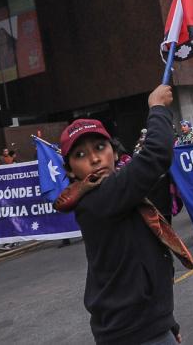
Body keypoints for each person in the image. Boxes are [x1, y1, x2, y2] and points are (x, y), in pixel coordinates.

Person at [57, 84, 181, 344]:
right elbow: (155, 155)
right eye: (80, 155)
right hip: (132, 334)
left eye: (100, 147)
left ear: (114, 151)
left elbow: (142, 260)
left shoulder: (119, 193)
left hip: (149, 325)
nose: (94, 159)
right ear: (70, 171)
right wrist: (157, 108)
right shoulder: (98, 199)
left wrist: (168, 323)